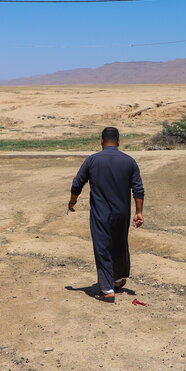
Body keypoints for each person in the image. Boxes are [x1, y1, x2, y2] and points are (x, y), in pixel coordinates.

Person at [69, 127, 144, 303]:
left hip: (100, 214)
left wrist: (72, 202)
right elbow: (138, 189)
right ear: (118, 142)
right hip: (122, 214)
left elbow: (76, 184)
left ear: (101, 141)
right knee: (119, 244)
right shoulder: (129, 161)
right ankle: (117, 280)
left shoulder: (92, 160)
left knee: (102, 247)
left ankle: (107, 289)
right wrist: (138, 212)